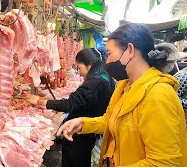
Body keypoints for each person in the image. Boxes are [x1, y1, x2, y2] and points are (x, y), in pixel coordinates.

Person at [57, 23, 187, 166]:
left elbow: (164, 162)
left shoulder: (158, 95)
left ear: (130, 50)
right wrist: (83, 123)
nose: (107, 62)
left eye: (110, 53)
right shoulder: (125, 86)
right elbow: (112, 121)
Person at [29, 48, 115, 167]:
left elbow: (69, 104)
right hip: (88, 132)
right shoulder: (105, 77)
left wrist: (39, 101)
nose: (79, 72)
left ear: (89, 64)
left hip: (80, 134)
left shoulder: (94, 82)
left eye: (79, 68)